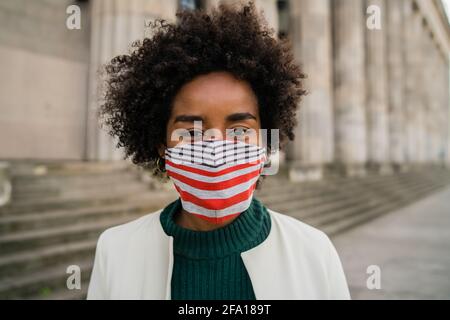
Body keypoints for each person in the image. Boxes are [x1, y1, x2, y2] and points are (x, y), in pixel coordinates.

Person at [87, 2, 350, 300]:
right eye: (191, 132)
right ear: (162, 145)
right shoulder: (116, 251)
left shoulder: (314, 252)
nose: (215, 150)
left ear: (266, 142)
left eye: (239, 130)